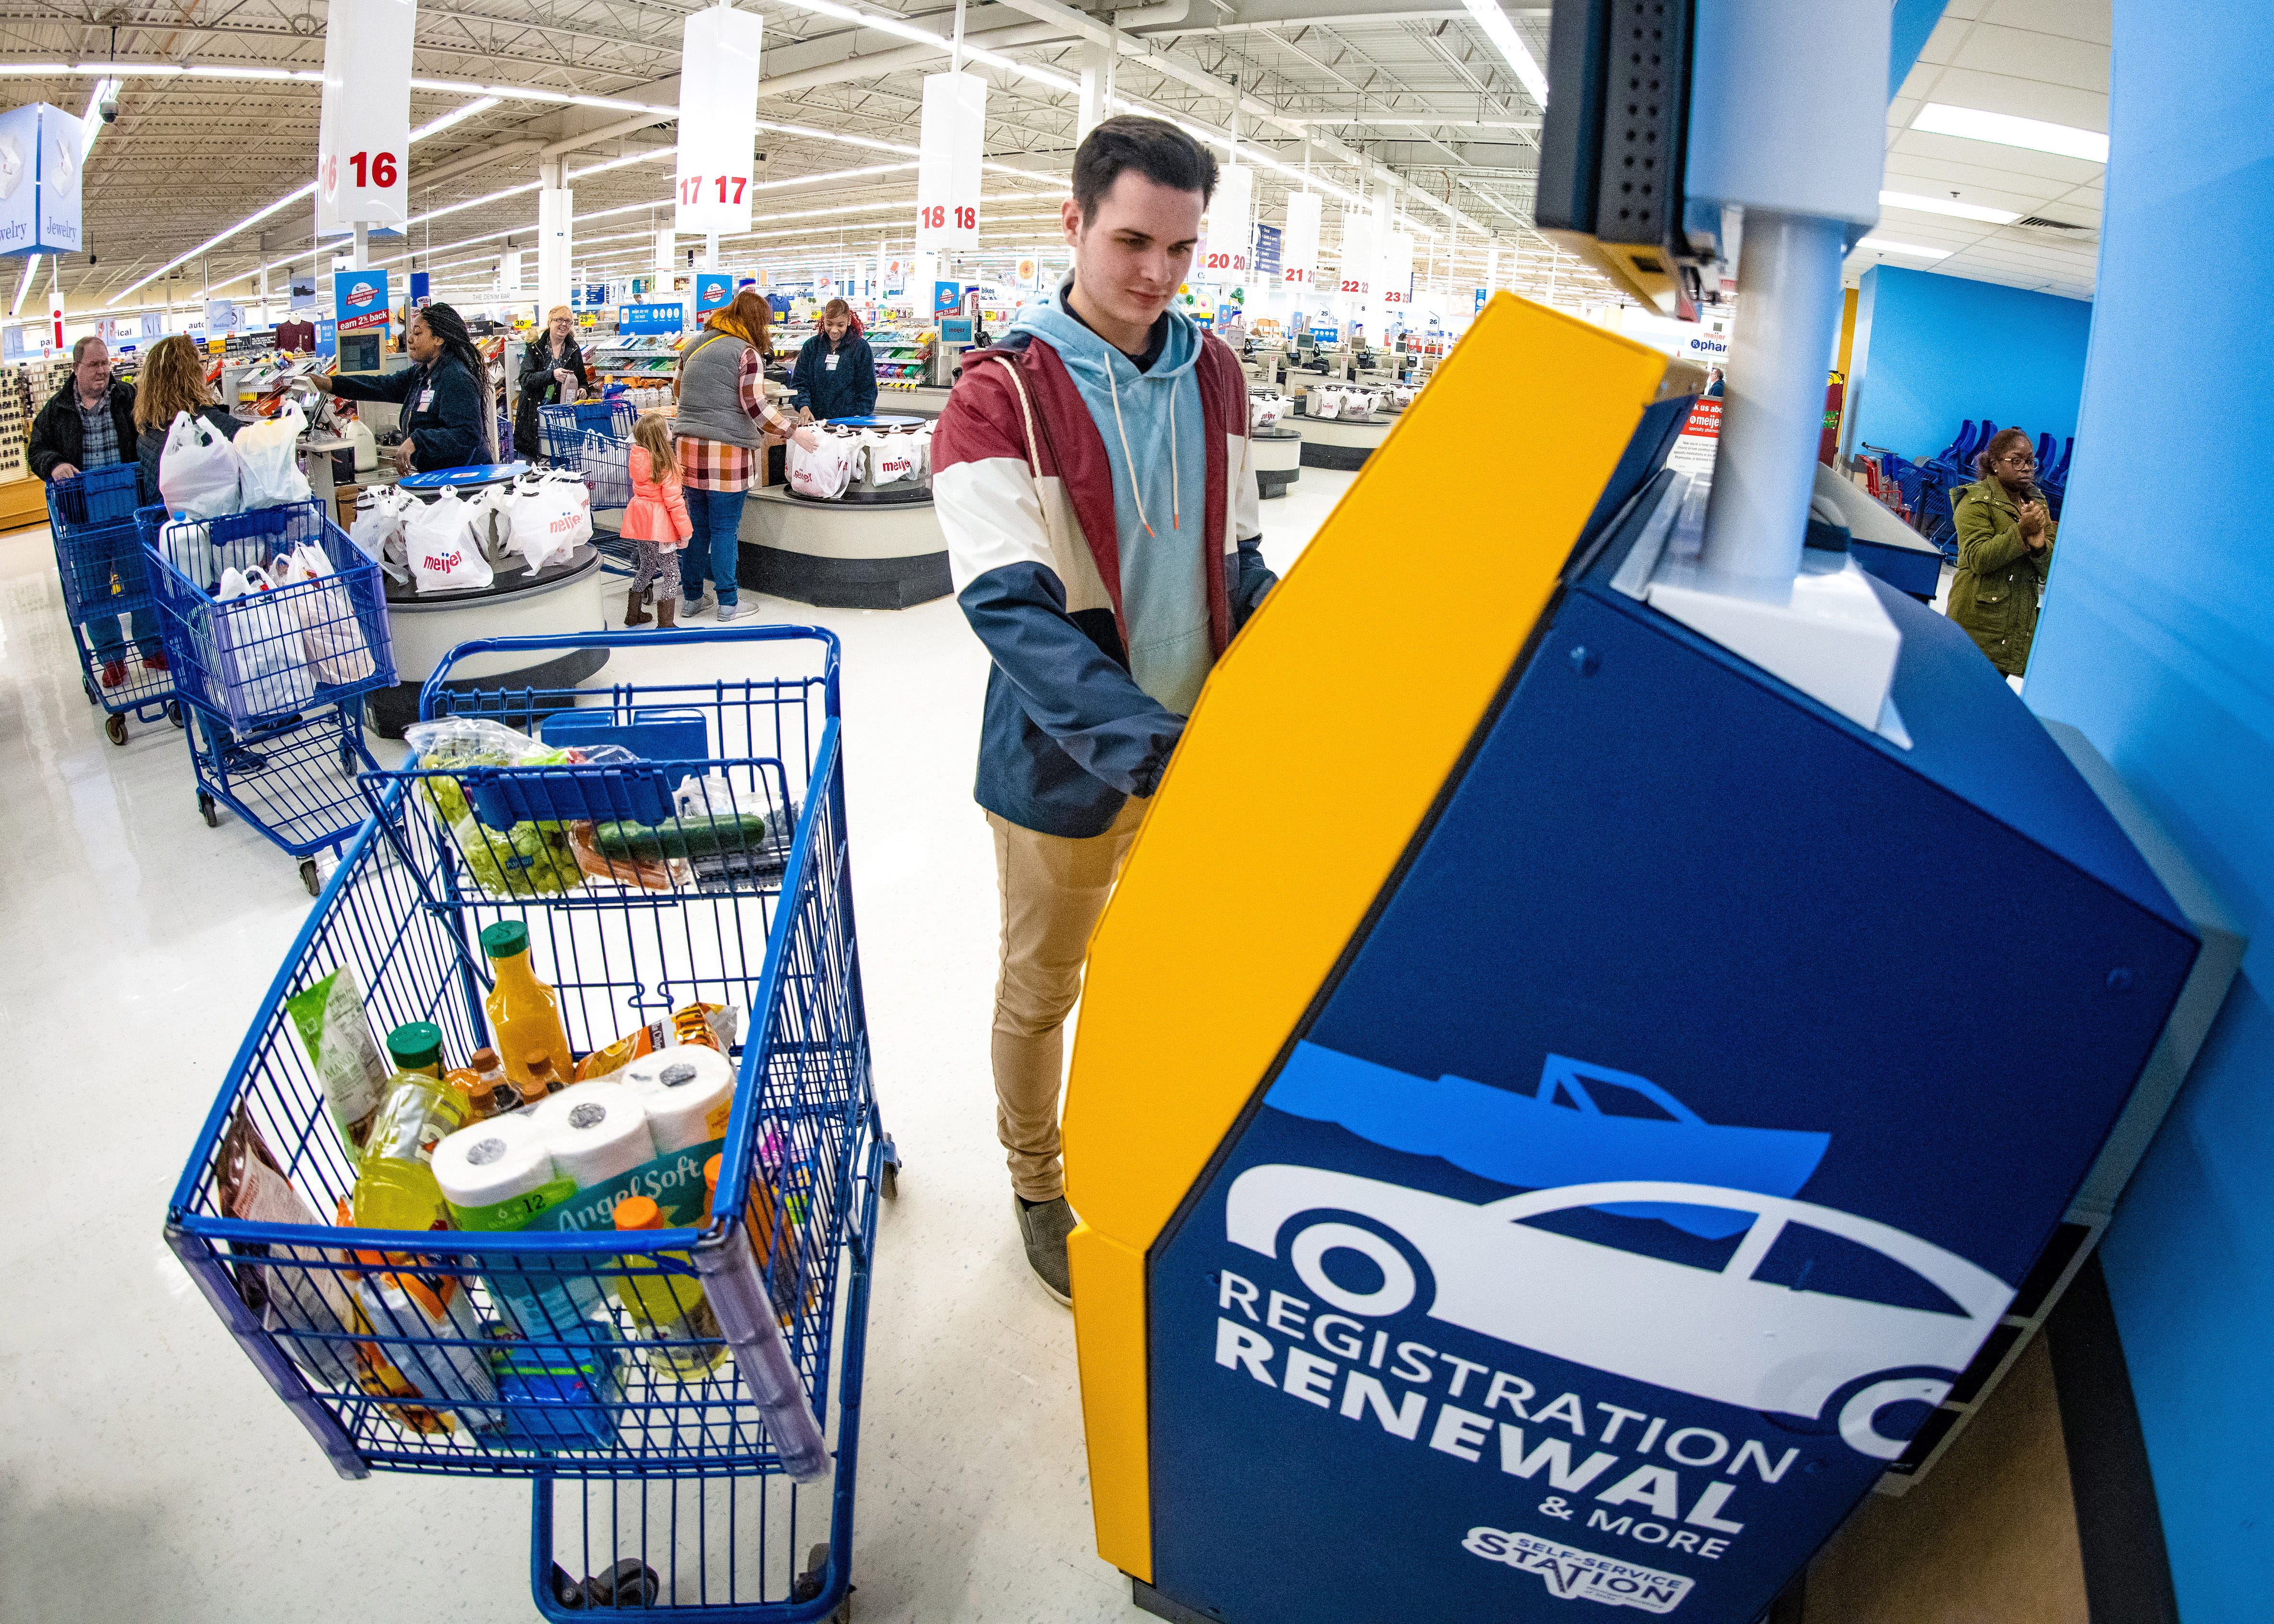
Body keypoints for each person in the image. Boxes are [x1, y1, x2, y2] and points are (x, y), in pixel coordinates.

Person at [931, 114, 1277, 1304]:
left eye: (1181, 251)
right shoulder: (999, 399)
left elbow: (1234, 562)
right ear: (1070, 223)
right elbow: (1011, 612)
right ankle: (1038, 1183)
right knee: (1045, 989)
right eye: (1132, 240)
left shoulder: (1216, 370)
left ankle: (1150, 1146)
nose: (1156, 275)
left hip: (1200, 752)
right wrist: (1152, 750)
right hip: (1067, 766)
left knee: (1171, 971)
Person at [672, 289, 821, 622]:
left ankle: (692, 598)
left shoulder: (695, 344)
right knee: (725, 528)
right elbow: (755, 407)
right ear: (756, 322)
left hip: (686, 448)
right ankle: (728, 603)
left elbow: (677, 389)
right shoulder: (746, 353)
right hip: (726, 451)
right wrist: (794, 432)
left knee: (696, 526)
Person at [30, 336, 158, 686]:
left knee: (141, 581)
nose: (103, 371)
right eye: (94, 365)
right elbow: (36, 450)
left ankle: (151, 648)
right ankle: (112, 659)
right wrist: (54, 465)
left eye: (105, 363)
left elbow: (154, 430)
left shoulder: (129, 397)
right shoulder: (56, 410)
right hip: (84, 519)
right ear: (76, 369)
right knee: (94, 592)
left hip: (130, 512)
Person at [309, 302, 496, 474]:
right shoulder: (422, 374)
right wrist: (330, 384)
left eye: (417, 333)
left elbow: (466, 434)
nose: (410, 340)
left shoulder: (455, 377)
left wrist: (416, 441)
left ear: (438, 339)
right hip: (441, 476)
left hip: (467, 479)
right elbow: (380, 386)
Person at [1948, 425, 2055, 676]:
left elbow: (2052, 570)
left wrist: (2039, 543)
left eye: (2030, 461)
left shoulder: (2037, 504)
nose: (2027, 467)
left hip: (2015, 627)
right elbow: (1978, 558)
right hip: (1978, 624)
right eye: (2016, 461)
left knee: (1990, 707)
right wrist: (2021, 533)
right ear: (1995, 464)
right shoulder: (1974, 500)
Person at [132, 333, 240, 509]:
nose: (204, 369)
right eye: (199, 363)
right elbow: (253, 442)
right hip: (207, 528)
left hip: (167, 529)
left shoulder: (148, 431)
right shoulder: (205, 420)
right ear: (189, 373)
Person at [620, 414, 692, 631]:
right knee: (672, 573)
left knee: (647, 566)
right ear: (662, 437)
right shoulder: (665, 464)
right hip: (660, 524)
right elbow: (675, 503)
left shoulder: (638, 457)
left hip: (640, 520)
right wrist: (686, 533)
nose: (671, 431)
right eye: (668, 429)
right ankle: (666, 624)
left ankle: (633, 615)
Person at [515, 304, 589, 459]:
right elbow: (525, 379)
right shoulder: (535, 347)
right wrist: (552, 375)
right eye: (560, 320)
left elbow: (582, 380)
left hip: (561, 418)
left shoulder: (573, 349)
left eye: (568, 321)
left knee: (559, 464)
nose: (564, 324)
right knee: (531, 466)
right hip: (533, 415)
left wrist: (583, 390)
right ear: (550, 322)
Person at [789, 298, 877, 424]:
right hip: (815, 421)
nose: (834, 330)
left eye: (840, 325)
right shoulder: (811, 347)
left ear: (849, 320)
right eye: (829, 324)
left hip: (849, 424)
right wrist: (804, 407)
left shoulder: (861, 348)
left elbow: (868, 390)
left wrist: (858, 419)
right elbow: (799, 383)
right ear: (823, 320)